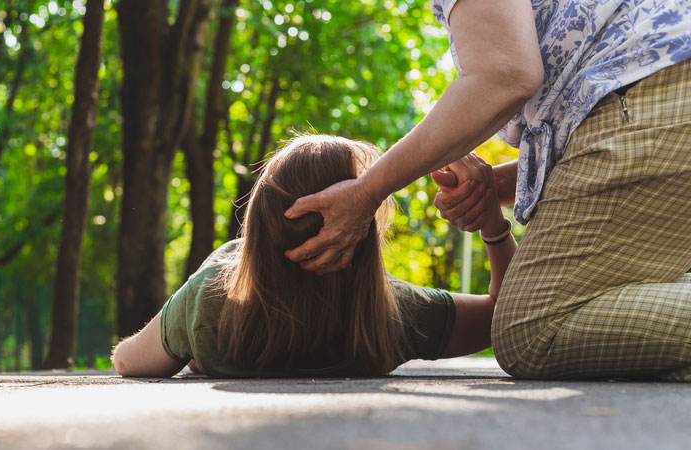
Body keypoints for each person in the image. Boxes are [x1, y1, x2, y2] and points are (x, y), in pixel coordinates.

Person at [283, 0, 691, 380]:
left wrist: (368, 191)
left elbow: (505, 73)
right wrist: (492, 191)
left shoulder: (389, 313)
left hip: (654, 84)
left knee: (531, 332)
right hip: (662, 81)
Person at [111, 135, 515, 377]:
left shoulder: (212, 301)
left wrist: (196, 340)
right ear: (362, 234)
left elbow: (127, 362)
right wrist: (493, 226)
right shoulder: (393, 314)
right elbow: (506, 316)